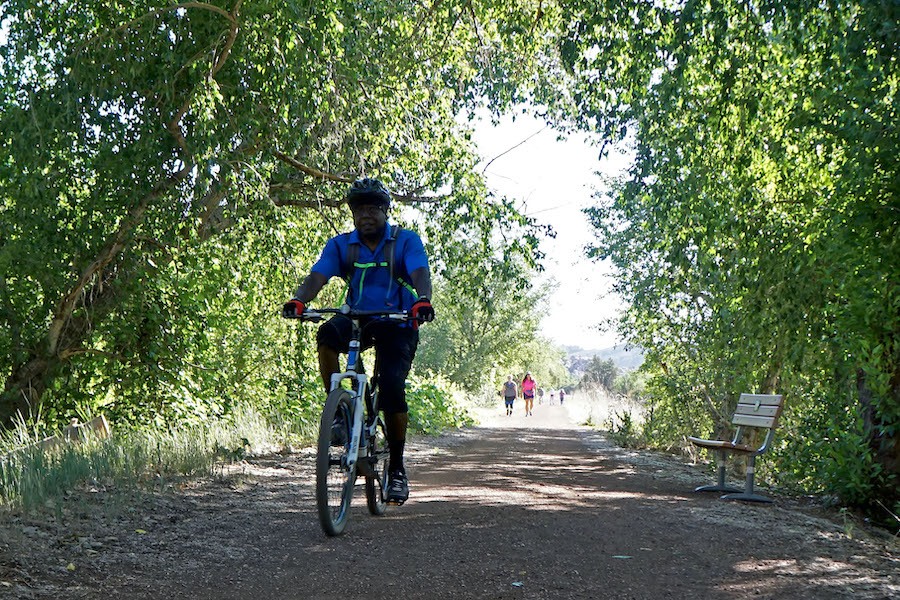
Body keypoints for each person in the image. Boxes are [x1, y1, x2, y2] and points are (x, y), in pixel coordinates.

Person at [282, 177, 435, 506]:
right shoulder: (342, 245)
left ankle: (397, 469)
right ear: (352, 213)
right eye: (359, 209)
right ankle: (339, 412)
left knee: (392, 386)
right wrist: (299, 300)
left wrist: (423, 299)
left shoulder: (404, 241)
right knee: (327, 335)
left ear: (385, 211)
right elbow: (318, 274)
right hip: (358, 318)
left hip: (399, 320)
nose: (366, 214)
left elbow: (419, 271)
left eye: (373, 208)